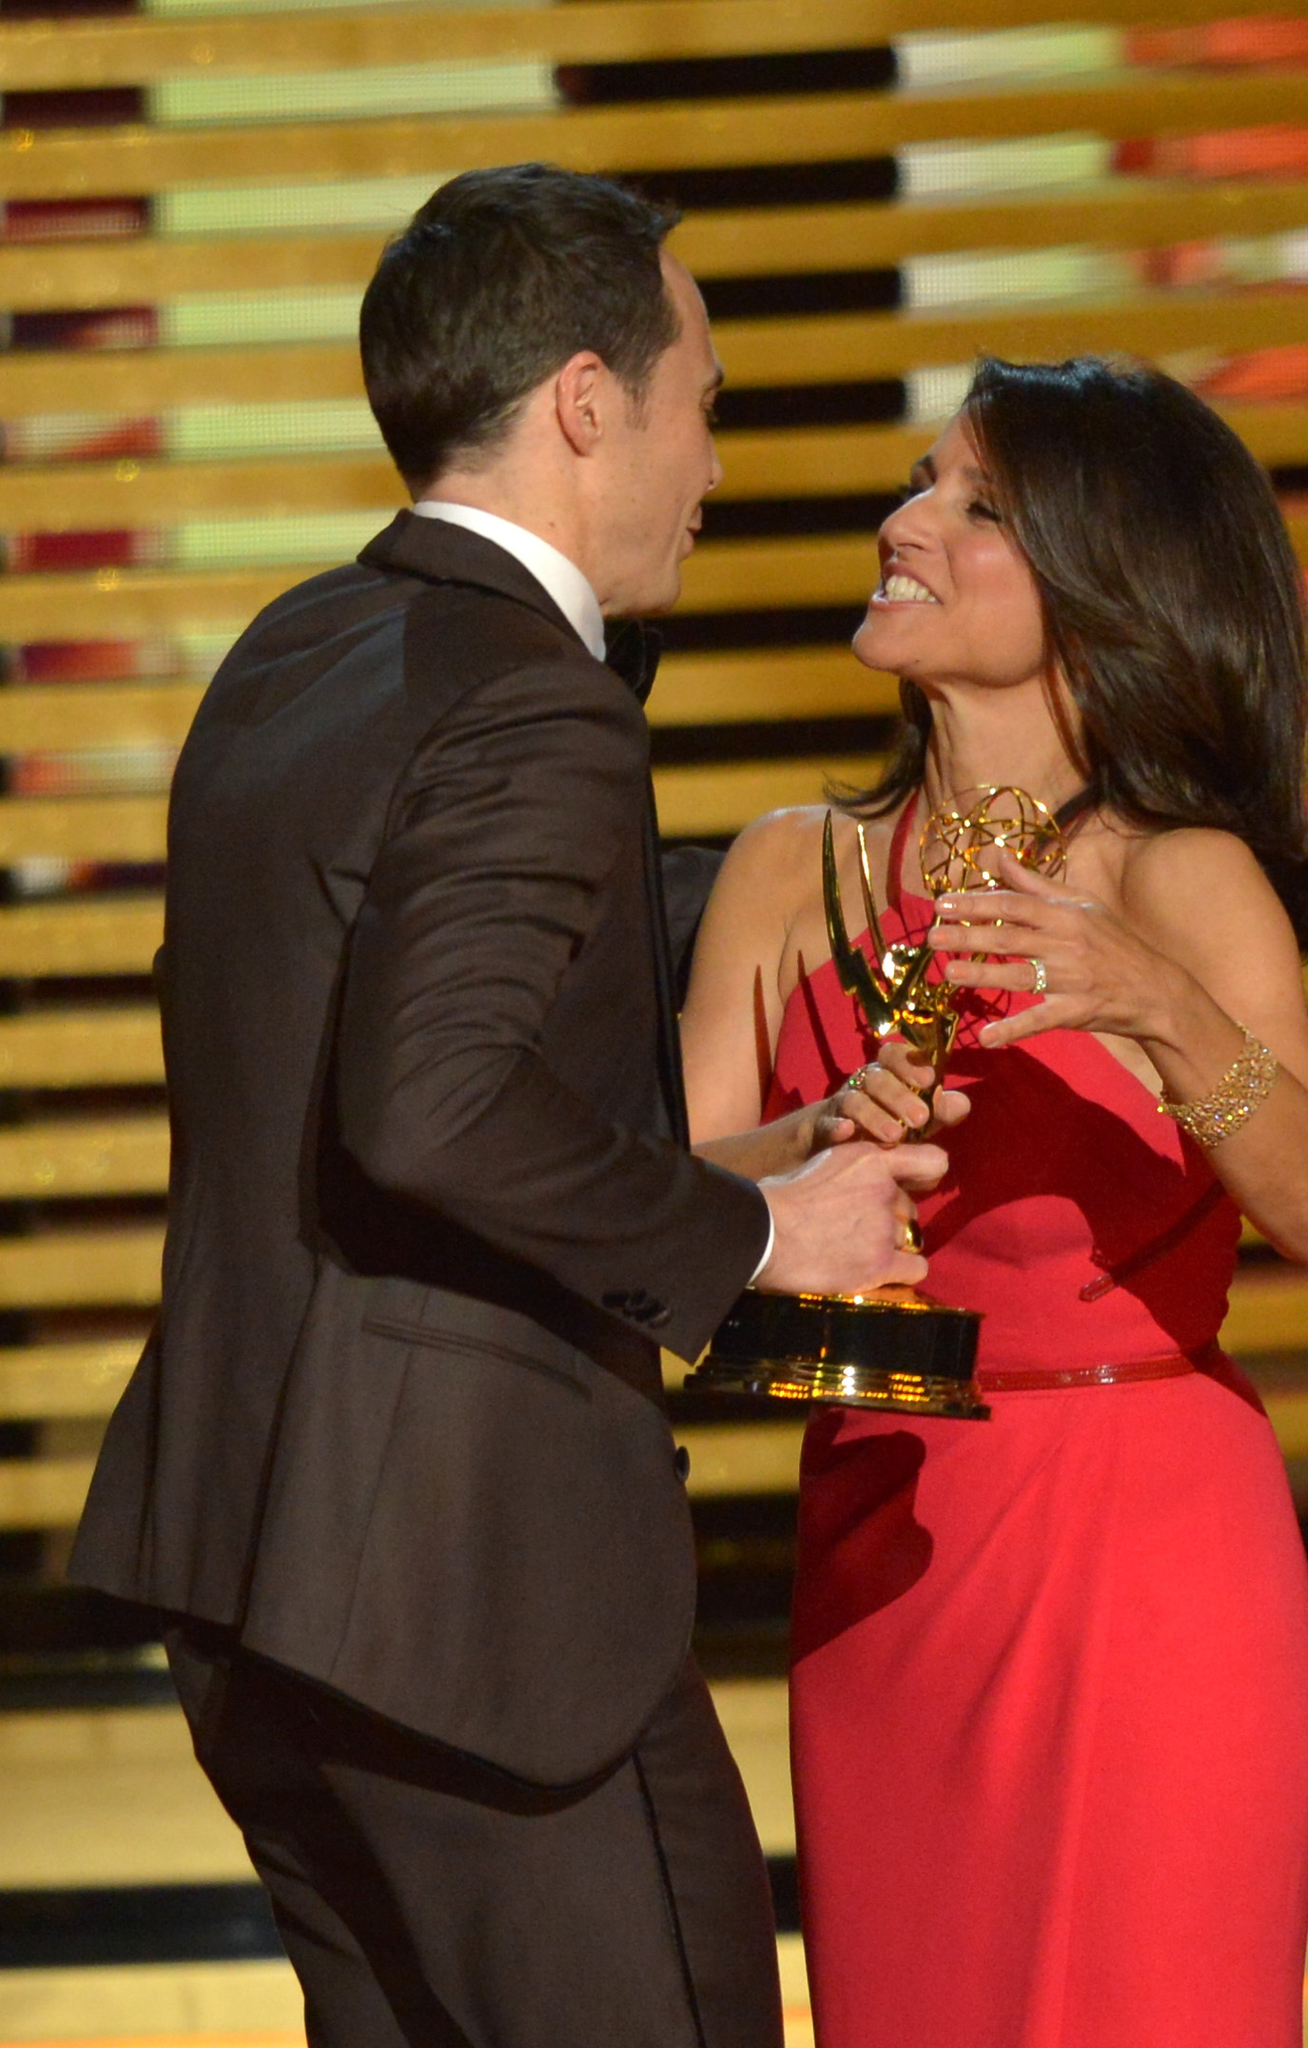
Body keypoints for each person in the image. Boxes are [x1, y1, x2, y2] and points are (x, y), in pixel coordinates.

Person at [68, 165, 945, 2048]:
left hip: (248, 1593)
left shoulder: (294, 652)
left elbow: (390, 1081)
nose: (714, 461)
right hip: (473, 1615)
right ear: (582, 400)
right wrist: (770, 1230)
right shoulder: (536, 706)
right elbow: (434, 1106)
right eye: (701, 396)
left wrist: (724, 1158)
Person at [680, 355, 1308, 2048]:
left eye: (974, 505)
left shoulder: (1173, 870)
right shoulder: (782, 869)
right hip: (890, 1529)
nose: (904, 523)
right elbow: (663, 1208)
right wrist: (820, 1143)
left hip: (1147, 1548)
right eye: (921, 483)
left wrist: (1154, 1001)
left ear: (1095, 576)